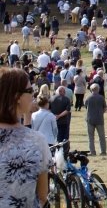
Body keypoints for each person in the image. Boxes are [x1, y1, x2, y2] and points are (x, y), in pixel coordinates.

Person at [0, 68, 49, 208]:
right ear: (17, 97)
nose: (33, 96)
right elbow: (42, 194)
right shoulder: (36, 141)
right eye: (30, 91)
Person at [84, 83, 107, 155]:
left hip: (90, 119)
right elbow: (105, 108)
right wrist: (101, 113)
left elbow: (86, 106)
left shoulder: (88, 98)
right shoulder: (101, 98)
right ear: (98, 89)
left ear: (91, 90)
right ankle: (103, 151)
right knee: (102, 137)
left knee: (91, 137)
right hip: (99, 119)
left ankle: (92, 151)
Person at [49, 85, 72, 150]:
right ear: (63, 92)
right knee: (64, 138)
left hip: (54, 121)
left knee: (55, 137)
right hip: (64, 121)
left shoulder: (51, 99)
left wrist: (54, 115)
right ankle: (63, 150)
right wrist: (59, 116)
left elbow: (48, 109)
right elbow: (67, 110)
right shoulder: (66, 99)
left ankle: (55, 149)